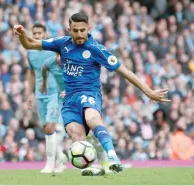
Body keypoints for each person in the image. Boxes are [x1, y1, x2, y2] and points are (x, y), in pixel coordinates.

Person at [13, 12, 170, 173]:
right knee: (77, 137)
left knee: (92, 118)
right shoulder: (62, 44)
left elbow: (125, 71)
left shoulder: (97, 49)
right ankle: (95, 167)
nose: (79, 34)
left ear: (89, 28)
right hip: (69, 100)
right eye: (75, 31)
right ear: (69, 30)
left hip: (89, 93)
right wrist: (22, 35)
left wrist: (148, 91)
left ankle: (112, 156)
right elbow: (30, 44)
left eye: (82, 30)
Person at [41, 51, 112, 176]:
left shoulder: (76, 62)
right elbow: (44, 69)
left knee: (94, 135)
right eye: (57, 56)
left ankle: (105, 164)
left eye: (62, 56)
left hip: (81, 99)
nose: (60, 59)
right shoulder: (49, 62)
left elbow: (87, 80)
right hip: (63, 102)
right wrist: (43, 84)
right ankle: (82, 167)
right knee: (75, 134)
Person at [26, 23, 66, 173]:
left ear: (45, 34)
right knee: (46, 129)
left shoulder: (52, 49)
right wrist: (30, 93)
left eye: (39, 33)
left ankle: (50, 164)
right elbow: (31, 73)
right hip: (39, 94)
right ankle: (61, 157)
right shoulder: (30, 52)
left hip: (54, 93)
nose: (36, 36)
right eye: (34, 33)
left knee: (50, 127)